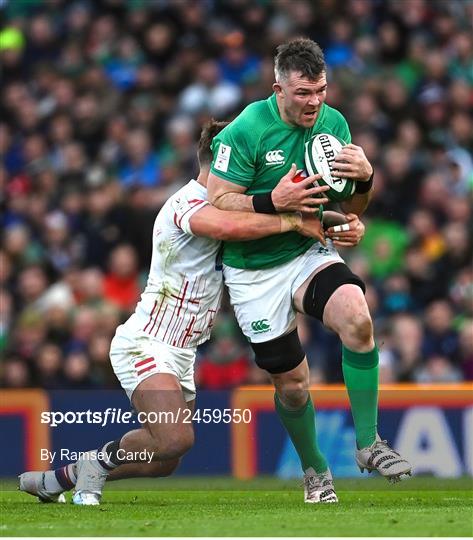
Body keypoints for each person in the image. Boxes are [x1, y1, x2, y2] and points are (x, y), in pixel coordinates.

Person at [19, 120, 360, 505]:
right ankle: (95, 467)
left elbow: (271, 227)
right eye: (246, 158)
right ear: (221, 160)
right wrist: (294, 218)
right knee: (175, 437)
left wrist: (340, 222)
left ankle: (60, 477)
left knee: (165, 460)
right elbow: (231, 226)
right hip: (146, 341)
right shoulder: (188, 202)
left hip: (183, 350)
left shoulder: (237, 205)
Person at [207, 37, 411, 503]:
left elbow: (349, 204)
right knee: (294, 386)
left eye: (320, 90)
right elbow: (217, 202)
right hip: (253, 271)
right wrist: (269, 200)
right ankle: (316, 469)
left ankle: (368, 443)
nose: (314, 102)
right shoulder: (245, 131)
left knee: (358, 316)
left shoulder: (333, 123)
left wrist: (365, 180)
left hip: (306, 251)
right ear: (277, 88)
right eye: (303, 93)